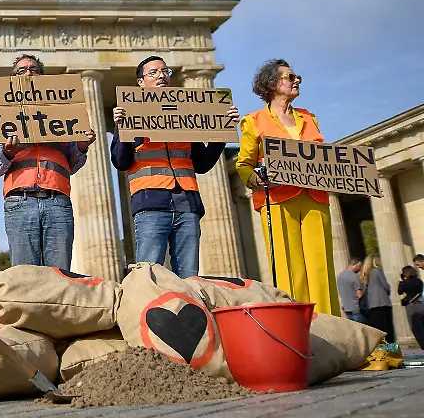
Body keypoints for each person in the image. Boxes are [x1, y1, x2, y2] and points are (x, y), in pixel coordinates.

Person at [111, 56, 239, 278]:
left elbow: (202, 163)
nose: (161, 75)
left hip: (187, 205)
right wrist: (122, 129)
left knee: (189, 277)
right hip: (150, 204)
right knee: (149, 276)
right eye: (153, 72)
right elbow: (120, 162)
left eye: (165, 71)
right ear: (140, 82)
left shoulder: (185, 114)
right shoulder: (130, 113)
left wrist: (222, 132)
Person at [236, 59, 339, 315]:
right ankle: (297, 324)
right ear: (272, 84)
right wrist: (255, 179)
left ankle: (330, 325)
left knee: (321, 267)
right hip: (277, 200)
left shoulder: (309, 117)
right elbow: (244, 164)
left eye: (297, 77)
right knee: (289, 267)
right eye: (290, 76)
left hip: (315, 197)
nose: (296, 80)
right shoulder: (254, 121)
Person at [0, 54, 95, 270]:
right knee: (25, 276)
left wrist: (81, 146)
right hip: (20, 201)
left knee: (60, 273)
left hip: (58, 201)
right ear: (14, 80)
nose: (28, 73)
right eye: (22, 70)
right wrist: (8, 154)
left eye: (33, 70)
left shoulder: (64, 113)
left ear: (43, 78)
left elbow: (71, 165)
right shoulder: (2, 115)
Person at [358, 255, 394, 342]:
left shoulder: (364, 275)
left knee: (377, 331)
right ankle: (391, 351)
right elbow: (385, 286)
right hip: (382, 303)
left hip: (371, 306)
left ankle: (380, 352)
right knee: (388, 330)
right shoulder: (377, 271)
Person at [398, 265, 424, 348]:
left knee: (416, 328)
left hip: (411, 306)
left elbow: (400, 292)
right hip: (421, 304)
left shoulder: (405, 283)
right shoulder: (419, 281)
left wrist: (400, 282)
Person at [337, 257, 366, 323]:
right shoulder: (354, 276)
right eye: (359, 266)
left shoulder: (340, 276)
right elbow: (359, 293)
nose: (360, 268)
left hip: (347, 308)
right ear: (354, 265)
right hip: (356, 309)